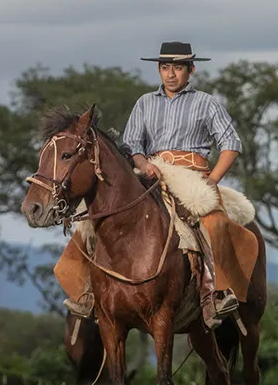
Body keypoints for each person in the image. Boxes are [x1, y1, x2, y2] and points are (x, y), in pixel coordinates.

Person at [58, 41, 250, 329]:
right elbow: (132, 144)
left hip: (191, 174)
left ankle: (214, 293)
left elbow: (231, 144)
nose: (170, 74)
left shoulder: (206, 103)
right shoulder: (145, 102)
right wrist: (143, 163)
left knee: (214, 221)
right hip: (151, 173)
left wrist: (212, 181)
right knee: (92, 219)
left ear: (191, 70)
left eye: (177, 67)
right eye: (164, 67)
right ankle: (85, 292)